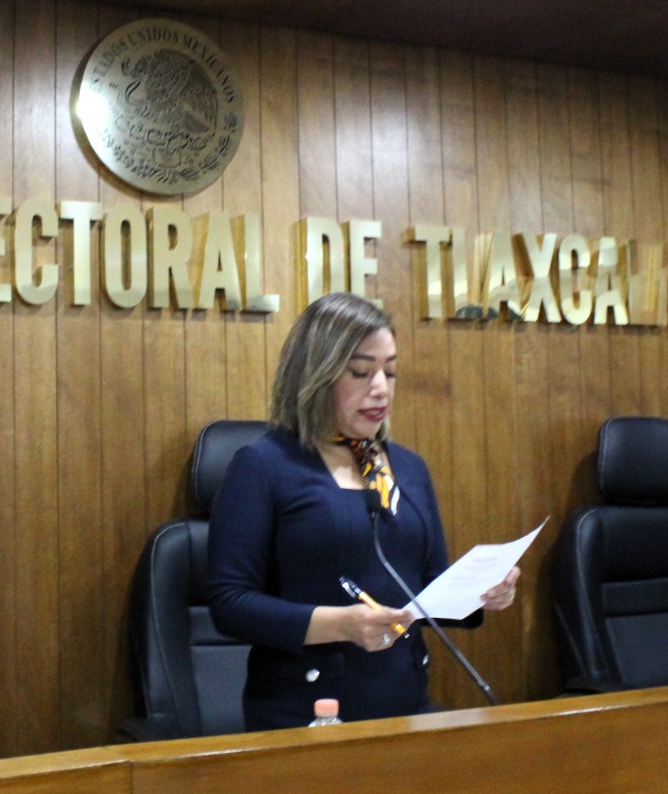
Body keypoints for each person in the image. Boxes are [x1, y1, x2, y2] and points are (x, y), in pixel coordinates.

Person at [207, 292, 520, 730]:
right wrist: (341, 624)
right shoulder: (264, 466)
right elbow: (230, 604)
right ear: (315, 374)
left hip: (405, 707)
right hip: (305, 716)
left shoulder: (409, 469)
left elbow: (427, 587)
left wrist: (481, 592)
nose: (380, 388)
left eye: (389, 372)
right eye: (360, 372)